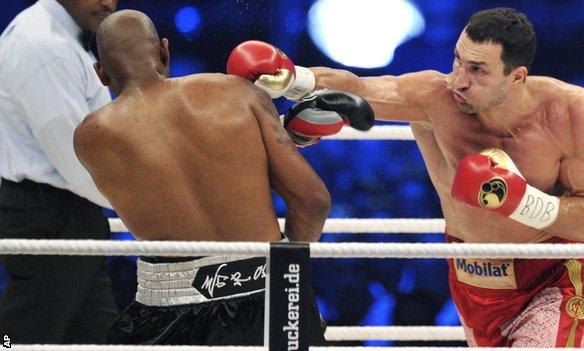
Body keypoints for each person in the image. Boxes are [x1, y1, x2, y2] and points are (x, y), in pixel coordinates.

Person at [226, 7, 584, 348]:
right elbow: (359, 88)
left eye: (477, 70)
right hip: (472, 276)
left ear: (517, 77)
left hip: (551, 277)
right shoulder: (435, 99)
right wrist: (294, 78)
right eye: (458, 60)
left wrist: (522, 201)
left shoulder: (569, 112)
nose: (458, 79)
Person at [73, 10, 373, 346]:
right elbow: (313, 201)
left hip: (169, 309)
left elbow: (161, 176)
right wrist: (284, 272)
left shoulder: (91, 136)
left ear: (101, 73)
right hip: (271, 294)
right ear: (165, 51)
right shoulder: (238, 93)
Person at [0, 0, 118, 344]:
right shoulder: (44, 45)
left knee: (98, 335)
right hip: (50, 215)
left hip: (66, 213)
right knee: (21, 334)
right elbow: (78, 159)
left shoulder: (64, 38)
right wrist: (143, 207)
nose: (106, 1)